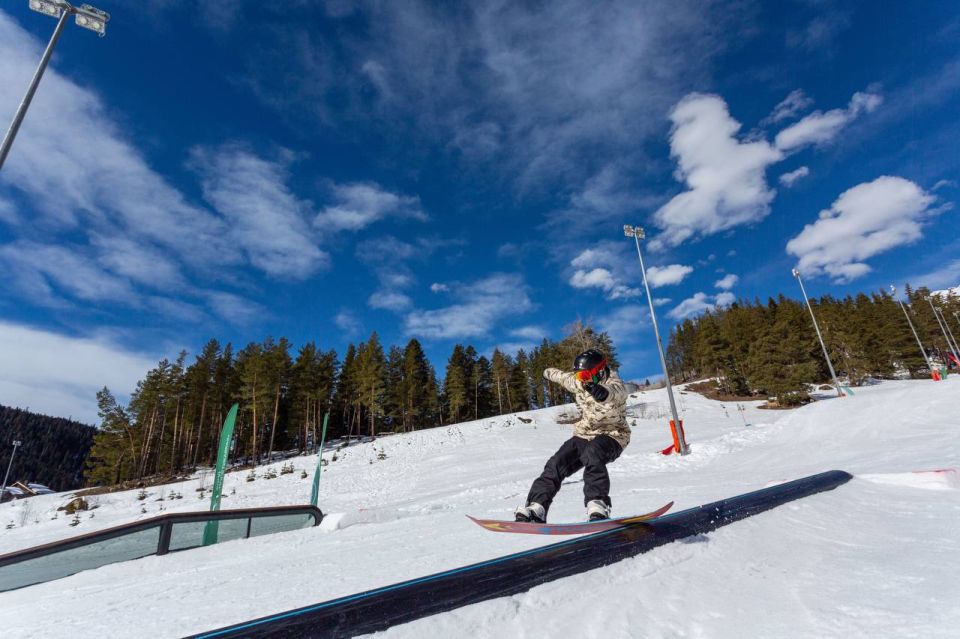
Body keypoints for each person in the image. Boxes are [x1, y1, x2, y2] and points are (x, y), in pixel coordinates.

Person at [515, 349, 630, 523]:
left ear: (599, 371)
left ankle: (598, 504)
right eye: (579, 376)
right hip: (584, 434)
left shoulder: (614, 383)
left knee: (594, 453)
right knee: (556, 463)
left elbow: (616, 392)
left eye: (585, 375)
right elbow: (560, 376)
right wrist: (546, 372)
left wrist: (603, 393)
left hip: (613, 435)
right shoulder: (578, 382)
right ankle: (537, 507)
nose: (581, 379)